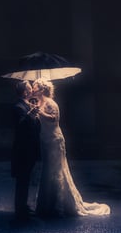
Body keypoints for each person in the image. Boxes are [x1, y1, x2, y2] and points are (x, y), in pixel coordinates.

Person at [33, 79, 110, 217]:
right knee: (47, 169)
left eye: (35, 87)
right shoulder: (38, 103)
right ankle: (47, 202)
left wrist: (40, 113)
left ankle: (58, 203)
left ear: (42, 90)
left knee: (55, 170)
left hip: (54, 140)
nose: (33, 89)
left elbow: (54, 119)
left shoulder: (51, 103)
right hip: (44, 139)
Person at [11, 80, 41, 219]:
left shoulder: (28, 104)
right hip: (23, 149)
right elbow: (21, 125)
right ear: (24, 92)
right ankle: (20, 209)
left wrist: (35, 114)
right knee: (22, 178)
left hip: (30, 147)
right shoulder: (18, 107)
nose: (32, 90)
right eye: (29, 88)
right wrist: (30, 114)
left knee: (26, 178)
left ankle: (23, 205)